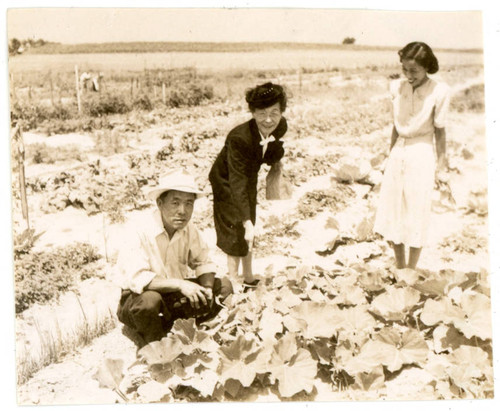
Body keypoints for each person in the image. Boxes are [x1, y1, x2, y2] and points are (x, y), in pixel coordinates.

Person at [115, 169, 233, 345]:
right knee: (149, 302)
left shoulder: (189, 229)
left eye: (189, 204)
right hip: (138, 300)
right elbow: (138, 280)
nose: (182, 211)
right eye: (175, 203)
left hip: (174, 296)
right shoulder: (138, 230)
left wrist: (207, 288)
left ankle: (187, 328)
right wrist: (181, 284)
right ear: (160, 203)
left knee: (223, 286)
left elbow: (203, 262)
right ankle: (154, 344)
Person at [373, 42, 450, 271]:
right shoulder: (397, 87)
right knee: (394, 210)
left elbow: (440, 131)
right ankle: (399, 266)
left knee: (416, 211)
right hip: (399, 151)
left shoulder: (439, 91)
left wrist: (442, 166)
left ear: (427, 67)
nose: (408, 76)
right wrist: (390, 156)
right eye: (405, 70)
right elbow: (396, 127)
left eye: (414, 71)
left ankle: (412, 270)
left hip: (422, 152)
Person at [209, 82, 288, 290]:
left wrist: (275, 159)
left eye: (274, 112)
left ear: (281, 112)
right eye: (262, 113)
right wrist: (245, 221)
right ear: (252, 113)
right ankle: (234, 281)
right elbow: (236, 182)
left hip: (249, 176)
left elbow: (273, 146)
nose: (269, 120)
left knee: (249, 224)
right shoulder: (238, 138)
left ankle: (249, 275)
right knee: (236, 228)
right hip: (226, 180)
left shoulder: (280, 125)